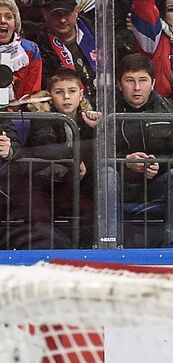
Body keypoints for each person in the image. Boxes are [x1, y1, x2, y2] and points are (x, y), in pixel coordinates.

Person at [107, 51, 173, 248]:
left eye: (143, 80)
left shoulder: (169, 109)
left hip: (157, 183)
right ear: (118, 84)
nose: (137, 87)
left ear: (153, 83)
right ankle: (110, 244)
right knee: (106, 174)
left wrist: (158, 163)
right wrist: (126, 162)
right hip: (121, 183)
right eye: (129, 80)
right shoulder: (107, 111)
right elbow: (99, 157)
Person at [19, 68, 97, 246]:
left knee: (90, 211)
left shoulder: (88, 119)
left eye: (72, 91)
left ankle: (85, 254)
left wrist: (95, 129)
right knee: (40, 215)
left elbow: (96, 155)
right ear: (49, 96)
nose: (66, 97)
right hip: (39, 182)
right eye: (59, 92)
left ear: (81, 94)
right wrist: (74, 157)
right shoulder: (41, 117)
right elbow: (47, 146)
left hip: (67, 184)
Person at [37, 0, 95, 90]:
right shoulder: (38, 46)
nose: (62, 20)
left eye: (67, 13)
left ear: (76, 10)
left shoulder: (97, 32)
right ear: (45, 14)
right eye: (56, 14)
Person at [0, 0, 44, 108]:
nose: (2, 21)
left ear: (16, 23)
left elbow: (33, 92)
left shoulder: (30, 50)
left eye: (9, 17)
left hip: (20, 116)